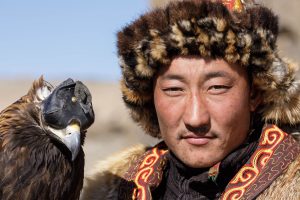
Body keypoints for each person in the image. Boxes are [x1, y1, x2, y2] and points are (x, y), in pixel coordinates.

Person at [82, 0, 300, 199]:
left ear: (255, 94)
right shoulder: (114, 189)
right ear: (151, 98)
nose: (195, 118)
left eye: (217, 88)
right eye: (174, 89)